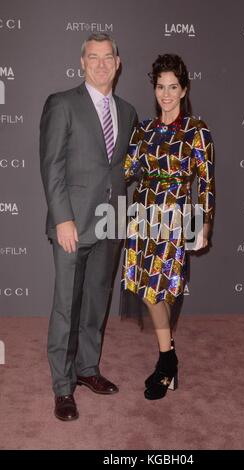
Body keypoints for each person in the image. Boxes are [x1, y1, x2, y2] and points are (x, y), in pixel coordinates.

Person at [40, 33, 137, 421]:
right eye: (92, 57)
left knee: (96, 302)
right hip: (73, 224)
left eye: (107, 57)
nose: (100, 64)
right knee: (67, 306)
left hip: (111, 223)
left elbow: (120, 169)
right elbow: (52, 166)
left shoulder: (127, 111)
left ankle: (87, 369)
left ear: (118, 62)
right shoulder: (62, 104)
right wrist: (63, 218)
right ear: (82, 62)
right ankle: (63, 387)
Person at [121, 54, 215, 400]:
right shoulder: (143, 129)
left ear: (184, 88)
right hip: (142, 215)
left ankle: (166, 363)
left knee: (160, 289)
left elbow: (205, 182)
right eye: (161, 86)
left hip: (175, 216)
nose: (166, 93)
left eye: (173, 86)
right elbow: (126, 171)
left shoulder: (196, 130)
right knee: (146, 291)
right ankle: (168, 359)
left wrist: (205, 224)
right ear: (155, 88)